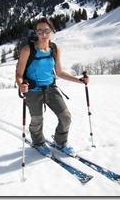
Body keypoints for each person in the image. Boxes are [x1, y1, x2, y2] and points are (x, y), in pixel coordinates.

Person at [16, 17, 89, 157]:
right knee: (37, 119)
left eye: (47, 30)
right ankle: (38, 143)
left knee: (65, 116)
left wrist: (79, 80)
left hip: (51, 88)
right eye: (40, 31)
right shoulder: (27, 50)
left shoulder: (54, 49)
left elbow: (60, 72)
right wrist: (21, 85)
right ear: (36, 32)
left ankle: (60, 141)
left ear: (53, 31)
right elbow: (19, 75)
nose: (43, 34)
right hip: (33, 91)